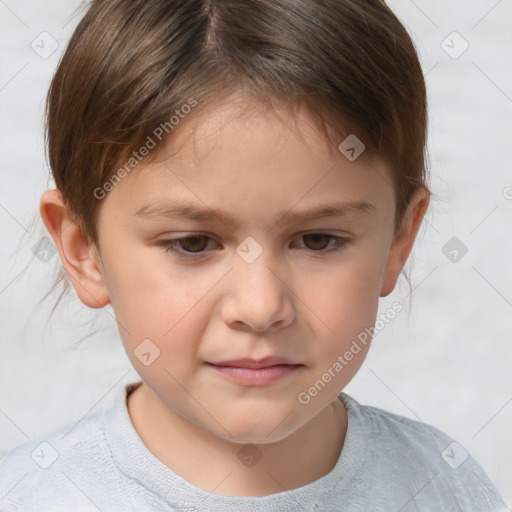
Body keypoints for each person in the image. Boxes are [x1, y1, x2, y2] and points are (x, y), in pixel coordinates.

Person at [0, 0, 506, 510]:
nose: (261, 308)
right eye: (192, 243)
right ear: (83, 250)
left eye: (317, 240)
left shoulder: (447, 489)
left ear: (399, 240)